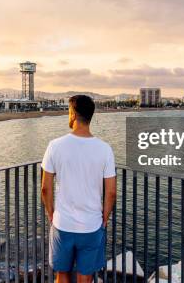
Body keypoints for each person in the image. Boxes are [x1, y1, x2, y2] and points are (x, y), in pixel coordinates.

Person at [41, 95, 116, 283]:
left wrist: (51, 213)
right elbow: (111, 192)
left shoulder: (55, 146)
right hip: (91, 225)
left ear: (73, 114)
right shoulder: (104, 149)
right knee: (86, 278)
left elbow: (45, 189)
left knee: (62, 275)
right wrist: (104, 219)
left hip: (63, 224)